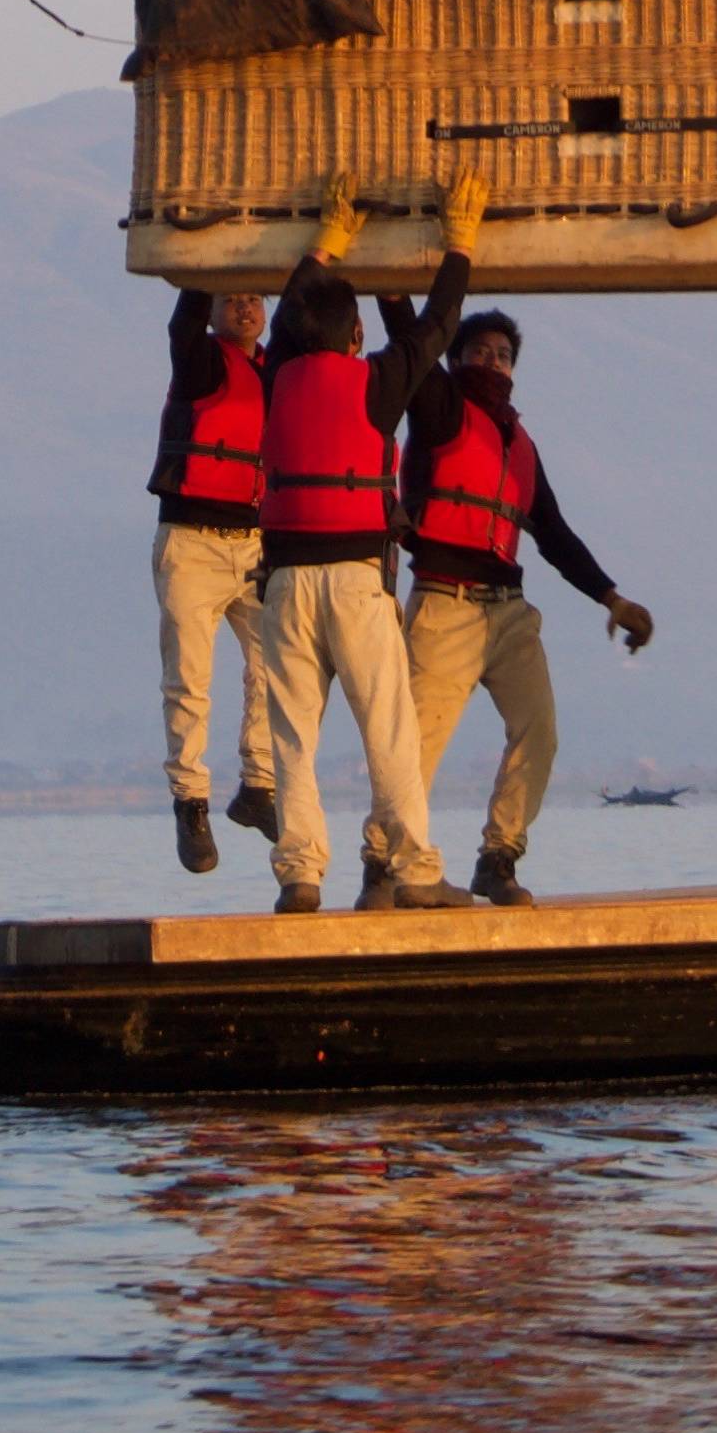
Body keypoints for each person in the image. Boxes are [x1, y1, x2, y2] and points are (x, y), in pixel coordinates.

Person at [394, 296, 657, 903]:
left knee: (539, 731)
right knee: (415, 744)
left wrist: (611, 599)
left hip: (508, 610)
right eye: (479, 353)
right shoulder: (438, 409)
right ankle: (386, 865)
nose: (492, 363)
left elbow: (556, 535)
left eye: (503, 356)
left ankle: (500, 856)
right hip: (444, 601)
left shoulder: (520, 444)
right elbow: (409, 337)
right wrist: (393, 288)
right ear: (456, 359)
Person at [249, 183, 465, 912]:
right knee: (389, 731)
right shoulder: (375, 381)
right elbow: (437, 325)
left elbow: (289, 307)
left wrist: (327, 242)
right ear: (351, 340)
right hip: (352, 582)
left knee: (292, 738)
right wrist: (459, 245)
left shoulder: (276, 372)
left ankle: (300, 875)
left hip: (283, 586)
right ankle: (414, 870)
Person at [144, 281, 283, 876]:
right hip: (191, 545)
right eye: (231, 299)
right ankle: (190, 802)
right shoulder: (199, 360)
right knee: (189, 680)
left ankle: (258, 787)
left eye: (254, 297)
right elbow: (183, 325)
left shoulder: (278, 371)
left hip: (254, 544)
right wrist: (202, 269)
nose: (244, 307)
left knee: (276, 666)